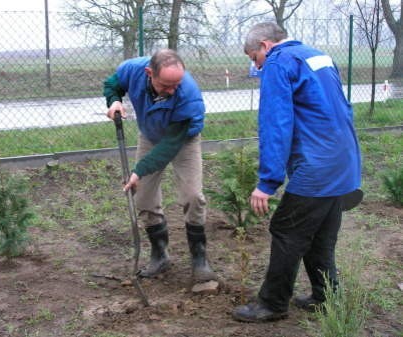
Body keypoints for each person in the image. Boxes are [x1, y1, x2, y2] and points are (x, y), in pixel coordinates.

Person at [232, 22, 362, 322]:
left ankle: (273, 304)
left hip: (317, 165)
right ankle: (325, 296)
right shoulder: (316, 56)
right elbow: (342, 107)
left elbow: (275, 124)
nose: (256, 66)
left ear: (265, 45)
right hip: (343, 158)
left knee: (287, 229)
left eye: (254, 58)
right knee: (318, 236)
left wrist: (267, 182)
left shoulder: (278, 63)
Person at [103, 49, 217, 284]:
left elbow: (169, 146)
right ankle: (160, 254)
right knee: (143, 197)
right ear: (149, 73)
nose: (172, 90)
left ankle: (199, 259)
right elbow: (112, 84)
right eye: (166, 85)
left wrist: (139, 170)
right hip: (150, 136)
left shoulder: (189, 95)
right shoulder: (132, 70)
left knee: (193, 196)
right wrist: (114, 101)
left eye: (177, 84)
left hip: (183, 140)